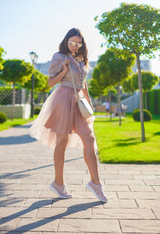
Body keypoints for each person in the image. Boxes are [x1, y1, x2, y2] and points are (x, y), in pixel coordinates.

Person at [30, 28, 107, 203]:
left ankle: (95, 183)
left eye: (78, 43)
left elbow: (83, 83)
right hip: (63, 98)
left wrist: (89, 104)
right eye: (71, 42)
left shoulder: (81, 58)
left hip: (79, 101)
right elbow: (51, 82)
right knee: (61, 142)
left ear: (82, 43)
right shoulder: (59, 57)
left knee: (89, 138)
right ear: (66, 41)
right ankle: (58, 183)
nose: (74, 45)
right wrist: (64, 71)